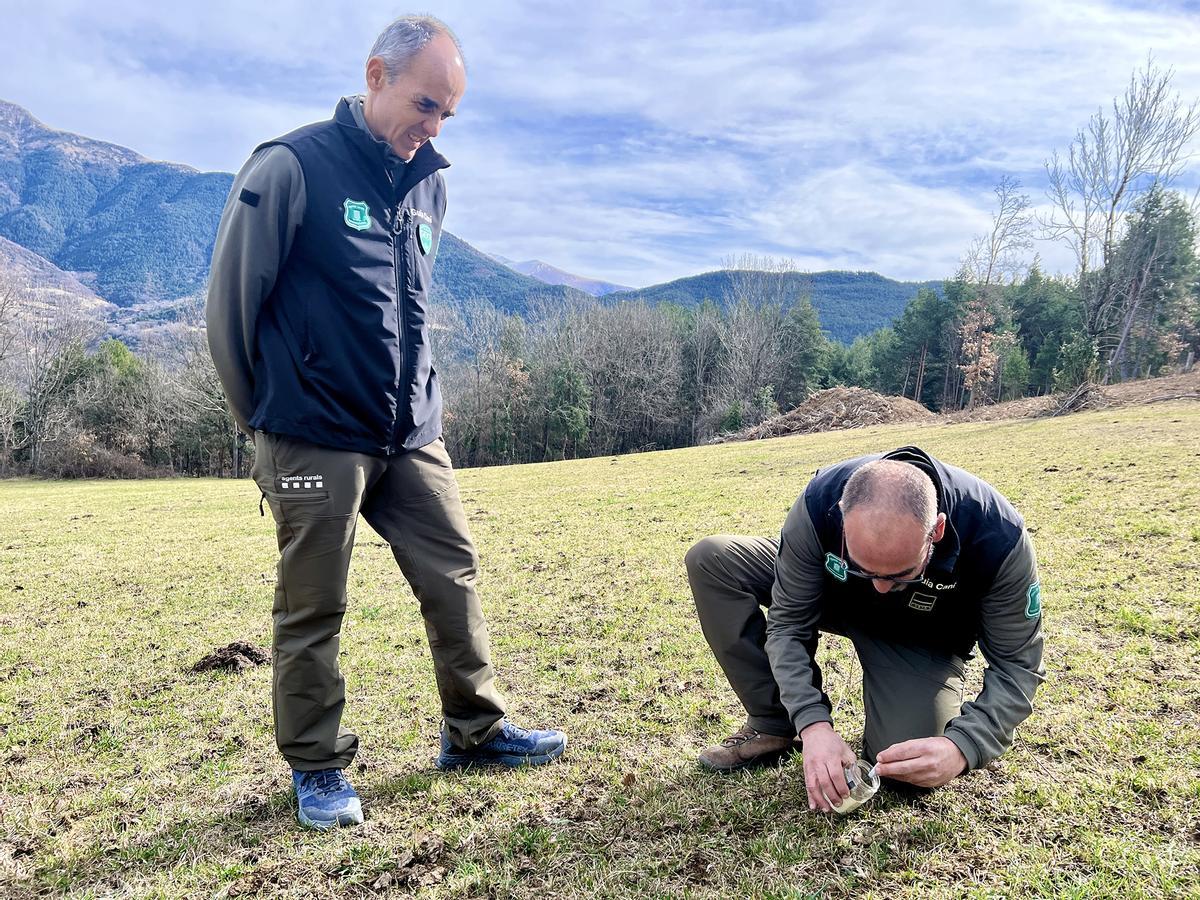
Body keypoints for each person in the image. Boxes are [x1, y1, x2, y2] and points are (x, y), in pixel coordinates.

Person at [206, 15, 566, 831]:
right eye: (424, 103)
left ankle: (475, 730)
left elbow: (412, 312)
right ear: (375, 75)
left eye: (447, 113)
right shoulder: (291, 166)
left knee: (454, 571)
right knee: (315, 605)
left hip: (411, 432)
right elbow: (229, 310)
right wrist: (262, 424)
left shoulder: (431, 184)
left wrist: (422, 405)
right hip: (313, 432)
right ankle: (318, 767)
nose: (433, 126)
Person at [686, 446, 1044, 812]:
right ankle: (775, 723)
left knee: (906, 764)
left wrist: (963, 746)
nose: (882, 587)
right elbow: (789, 622)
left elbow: (1018, 665)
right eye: (865, 567)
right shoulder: (819, 502)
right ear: (843, 517)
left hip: (922, 635)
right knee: (713, 559)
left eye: (901, 573)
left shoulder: (998, 537)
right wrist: (813, 726)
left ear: (935, 530)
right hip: (837, 594)